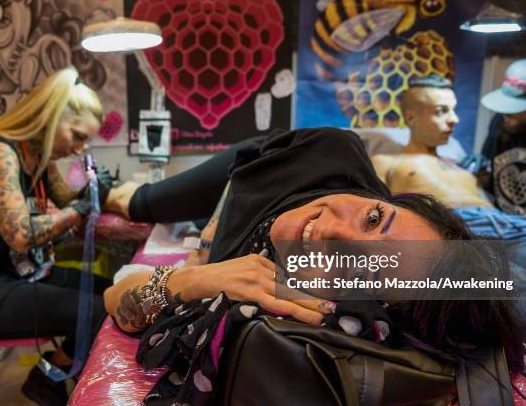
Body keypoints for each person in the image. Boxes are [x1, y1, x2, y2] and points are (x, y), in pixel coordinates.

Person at [103, 127, 523, 404]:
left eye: (360, 270)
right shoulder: (329, 151)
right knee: (134, 201)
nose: (332, 232)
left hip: (231, 224)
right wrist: (205, 253)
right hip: (265, 161)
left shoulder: (277, 295)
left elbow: (117, 299)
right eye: (374, 218)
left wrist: (200, 275)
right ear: (386, 199)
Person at [0, 67, 130, 405]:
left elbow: (69, 201)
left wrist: (97, 190)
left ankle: (49, 373)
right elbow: (21, 235)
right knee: (104, 311)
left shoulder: (35, 153)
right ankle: (51, 374)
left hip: (14, 275)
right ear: (51, 119)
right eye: (78, 136)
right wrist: (81, 207)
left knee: (117, 291)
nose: (81, 149)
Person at [371, 75, 526, 242]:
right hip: (455, 225)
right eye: (441, 111)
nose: (454, 119)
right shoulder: (388, 162)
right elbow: (374, 210)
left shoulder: (460, 164)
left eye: (453, 110)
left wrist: (485, 175)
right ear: (411, 118)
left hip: (512, 224)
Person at [480, 58, 526, 216]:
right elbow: (489, 178)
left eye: (515, 109)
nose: (506, 114)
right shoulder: (500, 121)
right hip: (503, 224)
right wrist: (479, 168)